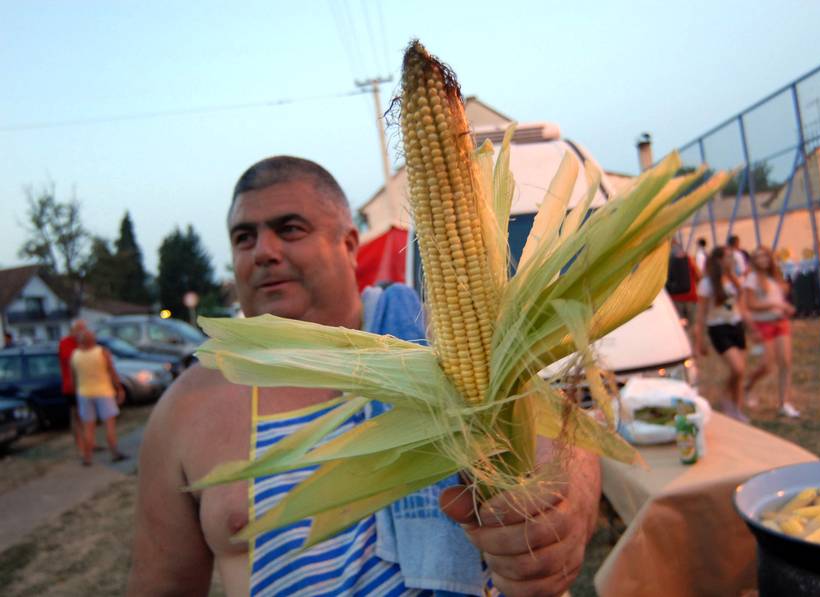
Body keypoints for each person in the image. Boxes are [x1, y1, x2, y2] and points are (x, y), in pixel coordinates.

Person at [128, 156, 601, 597]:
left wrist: (569, 502)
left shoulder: (436, 338)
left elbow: (560, 435)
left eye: (289, 229)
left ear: (350, 244)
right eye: (243, 237)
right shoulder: (189, 406)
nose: (263, 251)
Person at [693, 246, 752, 423]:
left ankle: (737, 408)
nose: (731, 260)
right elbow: (701, 314)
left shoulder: (733, 279)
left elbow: (740, 301)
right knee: (737, 368)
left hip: (736, 325)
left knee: (741, 373)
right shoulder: (707, 283)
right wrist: (699, 341)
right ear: (718, 260)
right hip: (718, 328)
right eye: (727, 257)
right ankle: (725, 396)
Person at [742, 247, 799, 418]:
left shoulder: (774, 276)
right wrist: (776, 306)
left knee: (786, 362)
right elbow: (750, 304)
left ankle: (784, 402)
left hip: (780, 322)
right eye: (758, 257)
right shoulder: (751, 279)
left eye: (765, 256)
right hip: (763, 323)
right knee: (766, 365)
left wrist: (784, 306)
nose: (763, 260)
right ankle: (747, 386)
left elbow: (777, 298)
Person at [71, 328, 128, 465]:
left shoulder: (75, 355)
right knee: (109, 424)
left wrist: (76, 392)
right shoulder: (101, 352)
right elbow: (112, 371)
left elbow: (74, 377)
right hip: (104, 392)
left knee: (88, 427)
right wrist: (119, 388)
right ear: (93, 340)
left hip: (84, 393)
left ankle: (87, 457)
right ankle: (114, 452)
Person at [58, 320, 86, 458]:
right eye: (81, 329)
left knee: (86, 417)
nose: (83, 332)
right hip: (71, 388)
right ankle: (80, 446)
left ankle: (89, 443)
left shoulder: (82, 344)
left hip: (85, 386)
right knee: (76, 417)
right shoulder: (66, 343)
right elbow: (71, 359)